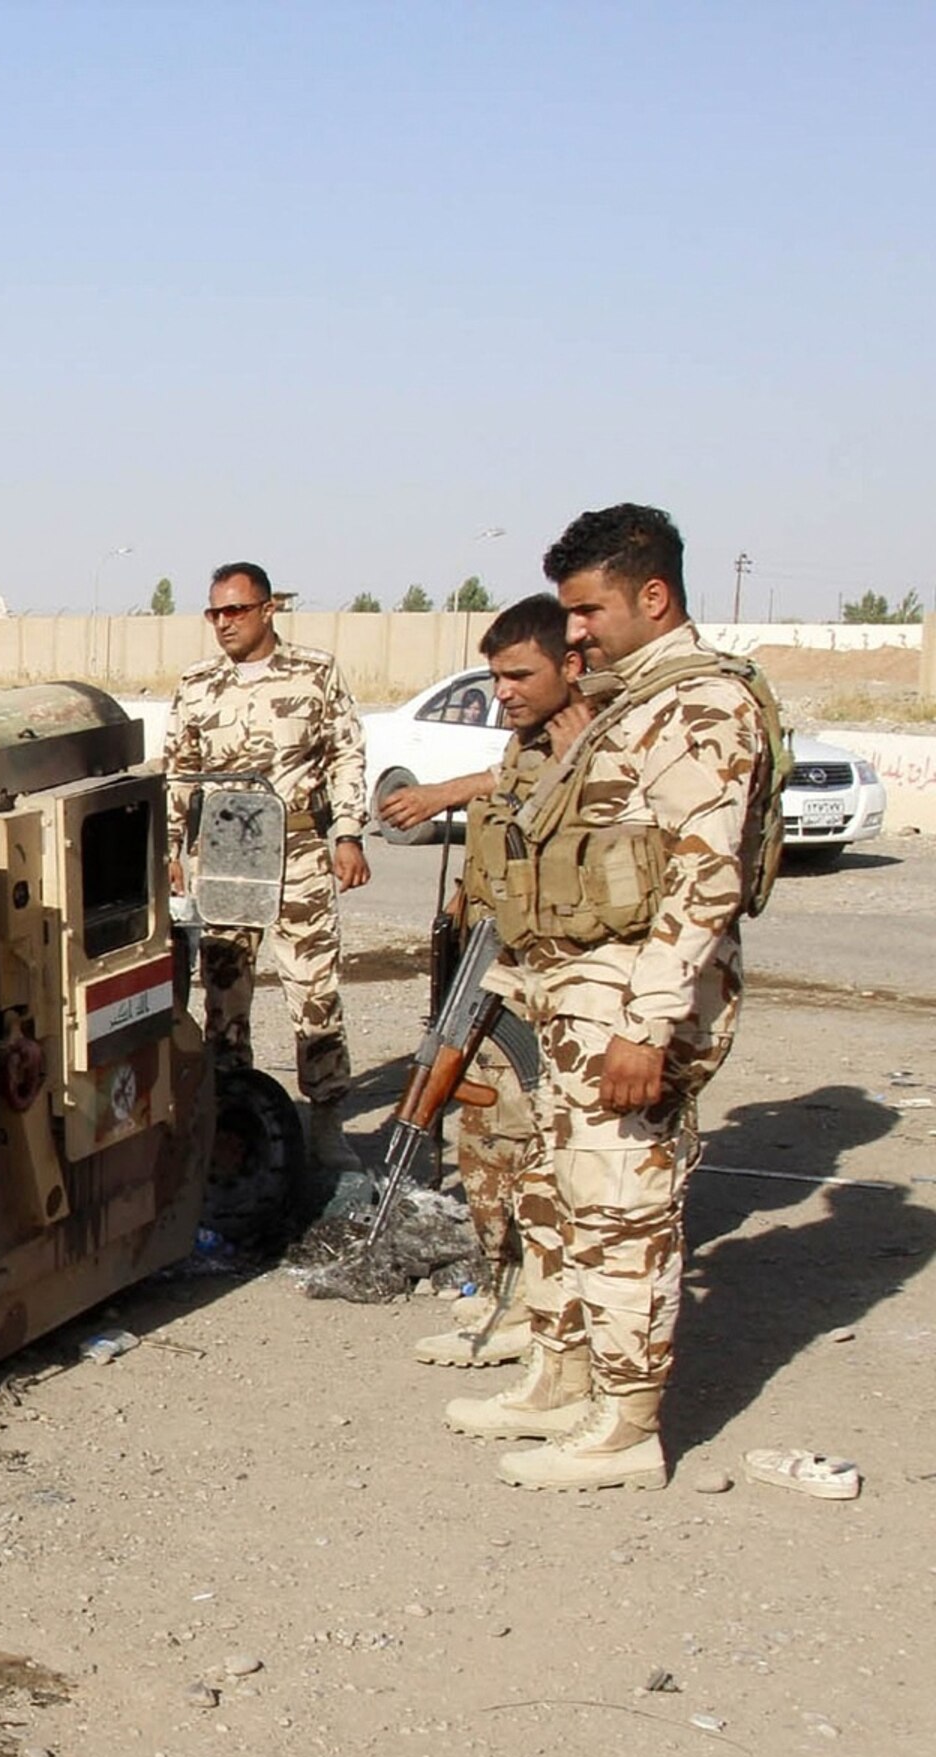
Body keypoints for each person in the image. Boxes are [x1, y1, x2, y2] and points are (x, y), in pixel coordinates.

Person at [444, 505, 771, 1492]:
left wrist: (648, 1025)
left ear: (653, 596)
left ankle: (628, 1426)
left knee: (622, 1205)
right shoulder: (630, 704)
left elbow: (704, 876)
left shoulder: (702, 706)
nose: (572, 630)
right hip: (575, 998)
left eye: (587, 611)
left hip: (630, 1006)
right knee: (559, 1193)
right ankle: (562, 1377)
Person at [404, 595, 586, 1368]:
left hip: (544, 987)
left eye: (519, 674)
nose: (502, 691)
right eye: (495, 675)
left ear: (570, 667)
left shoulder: (592, 746)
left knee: (537, 1152)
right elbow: (504, 795)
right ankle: (506, 1291)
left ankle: (545, 1312)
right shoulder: (529, 745)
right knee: (483, 1140)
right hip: (491, 970)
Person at [162, 562, 370, 1167]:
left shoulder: (314, 672)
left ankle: (327, 1121)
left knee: (314, 991)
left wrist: (349, 834)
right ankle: (233, 1124)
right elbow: (178, 769)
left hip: (299, 849)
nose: (224, 623)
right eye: (214, 613)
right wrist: (170, 851)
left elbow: (347, 755)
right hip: (226, 855)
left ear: (268, 608)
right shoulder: (199, 683)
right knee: (224, 994)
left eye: (236, 611)